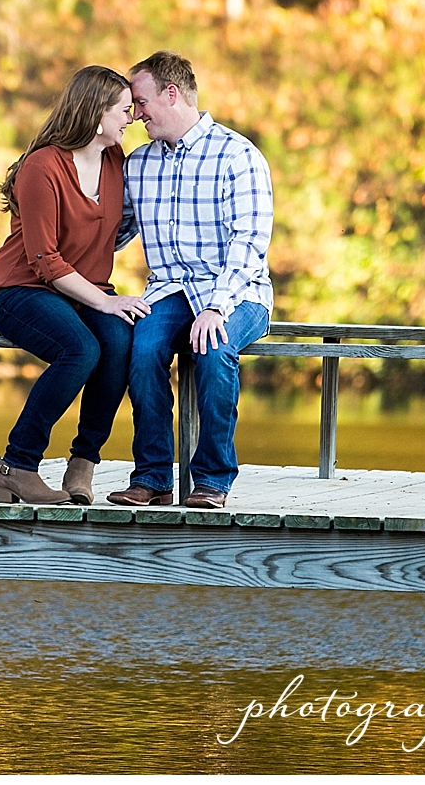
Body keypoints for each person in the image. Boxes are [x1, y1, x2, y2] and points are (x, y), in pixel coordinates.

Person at [109, 51, 273, 511]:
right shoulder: (139, 164)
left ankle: (213, 480)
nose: (136, 115)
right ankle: (153, 478)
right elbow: (114, 231)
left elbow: (250, 241)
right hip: (169, 291)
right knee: (141, 351)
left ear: (172, 94)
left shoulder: (237, 155)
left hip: (237, 291)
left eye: (140, 103)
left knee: (214, 349)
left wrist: (217, 306)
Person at [0, 66, 145, 506]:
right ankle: (17, 465)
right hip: (23, 289)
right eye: (124, 110)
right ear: (96, 114)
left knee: (119, 341)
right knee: (82, 349)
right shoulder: (43, 167)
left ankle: (83, 464)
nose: (131, 118)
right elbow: (44, 260)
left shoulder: (115, 160)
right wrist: (107, 302)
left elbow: (118, 227)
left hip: (85, 289)